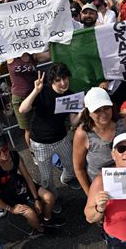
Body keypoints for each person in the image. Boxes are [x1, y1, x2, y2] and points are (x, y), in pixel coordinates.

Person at [19, 64, 82, 208]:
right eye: (58, 80)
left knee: (70, 165)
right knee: (46, 177)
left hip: (62, 138)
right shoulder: (42, 92)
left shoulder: (71, 95)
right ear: (52, 81)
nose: (63, 83)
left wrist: (80, 112)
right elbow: (22, 109)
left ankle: (67, 179)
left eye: (65, 78)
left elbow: (73, 122)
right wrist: (35, 90)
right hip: (40, 142)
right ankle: (53, 198)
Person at [0, 133, 65, 235]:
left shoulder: (15, 155)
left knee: (49, 197)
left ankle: (47, 220)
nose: (3, 154)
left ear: (8, 146)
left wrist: (36, 199)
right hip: (5, 192)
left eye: (5, 149)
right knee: (31, 214)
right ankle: (40, 229)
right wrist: (11, 209)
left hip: (18, 183)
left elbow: (27, 178)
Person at [73, 87, 126, 196]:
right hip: (101, 188)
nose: (103, 114)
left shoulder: (125, 121)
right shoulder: (82, 134)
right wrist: (90, 195)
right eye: (97, 110)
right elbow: (78, 168)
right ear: (88, 112)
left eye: (106, 108)